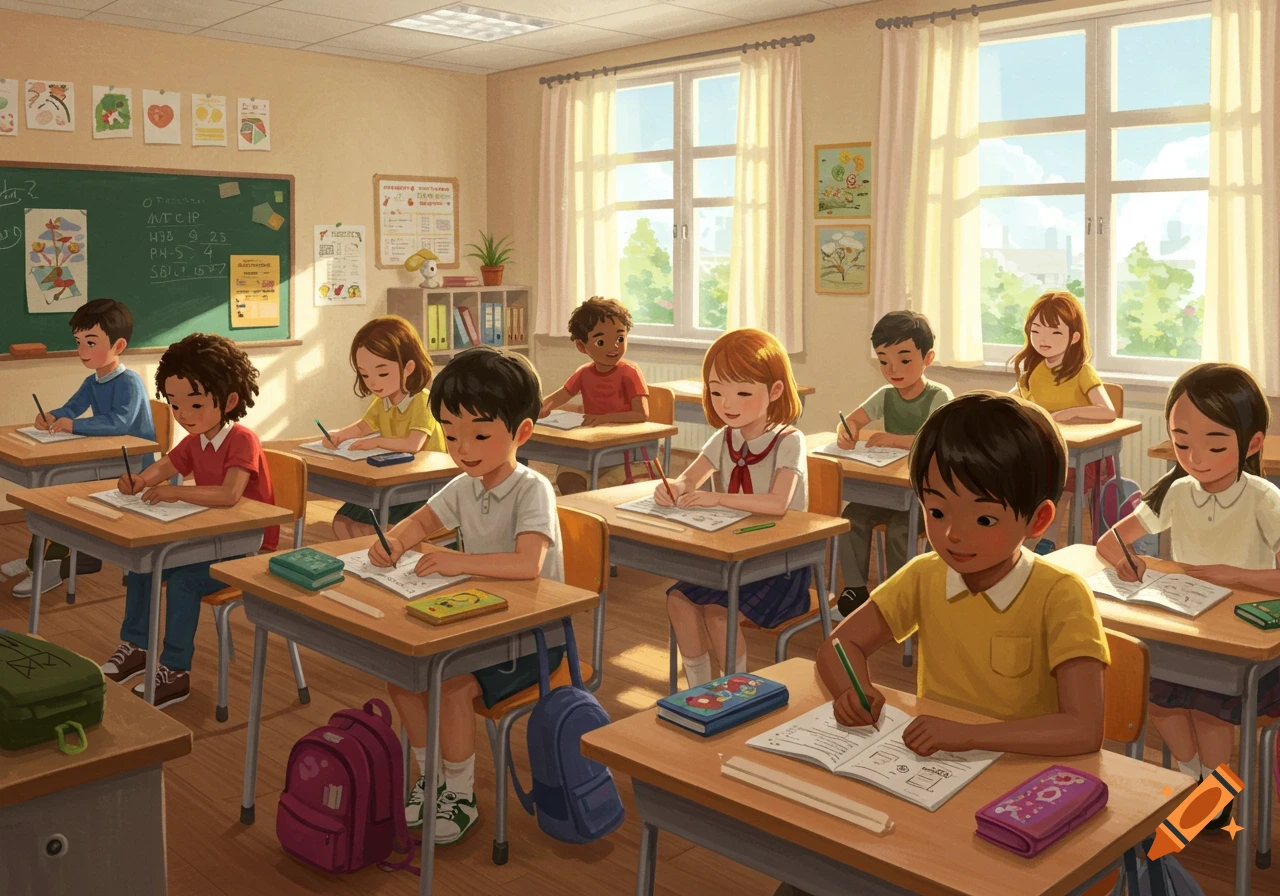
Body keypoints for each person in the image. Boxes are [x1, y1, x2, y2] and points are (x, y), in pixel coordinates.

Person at [819, 392, 1110, 756]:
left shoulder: (1062, 595)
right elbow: (840, 644)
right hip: (937, 767)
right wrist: (852, 690)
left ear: (1038, 520)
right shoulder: (925, 575)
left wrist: (969, 737)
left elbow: (1083, 729)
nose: (953, 534)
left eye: (984, 519)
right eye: (938, 512)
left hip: (1025, 774)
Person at [369, 346, 563, 846]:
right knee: (404, 676)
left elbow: (527, 566)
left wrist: (458, 562)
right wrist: (396, 542)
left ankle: (459, 794)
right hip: (474, 620)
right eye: (451, 435)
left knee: (451, 683)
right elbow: (423, 521)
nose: (463, 448)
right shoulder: (465, 484)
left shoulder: (532, 489)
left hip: (530, 635)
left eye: (479, 435)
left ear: (521, 432)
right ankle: (429, 777)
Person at [1097, 363, 1280, 828]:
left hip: (1244, 635)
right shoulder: (1177, 491)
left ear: (1251, 443)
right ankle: (1192, 778)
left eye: (1215, 445)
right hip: (1186, 620)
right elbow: (1110, 540)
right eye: (1182, 444)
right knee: (1158, 695)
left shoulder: (1262, 497)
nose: (1196, 458)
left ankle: (1215, 795)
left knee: (1208, 707)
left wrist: (1233, 574)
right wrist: (1127, 559)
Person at [99, 334, 276, 710]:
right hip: (211, 538)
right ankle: (136, 647)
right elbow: (167, 465)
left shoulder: (243, 439)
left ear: (228, 400)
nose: (183, 414)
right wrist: (140, 481)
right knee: (143, 566)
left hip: (248, 547)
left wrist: (176, 493)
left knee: (183, 582)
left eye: (194, 404)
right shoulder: (196, 439)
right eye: (175, 404)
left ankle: (175, 672)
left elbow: (230, 495)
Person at [660, 328, 807, 687]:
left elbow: (776, 504)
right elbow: (689, 478)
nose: (729, 403)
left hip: (780, 562)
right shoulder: (724, 436)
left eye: (743, 392)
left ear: (774, 391)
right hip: (732, 554)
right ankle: (699, 692)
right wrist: (673, 489)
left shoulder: (789, 440)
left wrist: (718, 497)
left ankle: (735, 691)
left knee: (717, 614)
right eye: (717, 391)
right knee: (677, 600)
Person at [6, 299, 155, 597]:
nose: (82, 351)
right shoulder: (93, 380)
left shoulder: (130, 382)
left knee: (60, 499)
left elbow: (118, 423)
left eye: (91, 342)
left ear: (119, 345)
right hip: (101, 460)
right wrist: (53, 416)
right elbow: (73, 408)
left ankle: (48, 567)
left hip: (132, 468)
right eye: (78, 343)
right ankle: (34, 562)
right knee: (48, 495)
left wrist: (72, 426)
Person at [834, 310, 951, 613]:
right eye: (884, 361)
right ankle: (855, 590)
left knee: (902, 529)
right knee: (853, 517)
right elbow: (854, 420)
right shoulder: (885, 394)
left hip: (923, 494)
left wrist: (896, 440)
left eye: (904, 360)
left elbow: (935, 441)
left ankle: (900, 595)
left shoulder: (939, 396)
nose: (893, 369)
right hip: (888, 483)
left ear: (928, 358)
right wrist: (847, 432)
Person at [1009, 290, 1116, 548]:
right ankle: (1024, 545)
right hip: (1047, 449)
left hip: (1082, 456)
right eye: (1036, 331)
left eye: (1055, 332)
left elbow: (1108, 411)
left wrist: (1073, 412)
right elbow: (1013, 399)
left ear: (1074, 336)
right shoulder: (1035, 371)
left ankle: (1047, 542)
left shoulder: (1082, 371)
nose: (1043, 339)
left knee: (1058, 490)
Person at [326, 316, 445, 539]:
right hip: (394, 479)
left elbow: (413, 444)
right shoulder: (383, 401)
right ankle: (363, 563)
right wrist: (339, 436)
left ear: (409, 367)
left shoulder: (422, 400)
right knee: (342, 523)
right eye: (365, 374)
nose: (373, 382)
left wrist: (377, 441)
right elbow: (363, 427)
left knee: (383, 532)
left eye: (382, 373)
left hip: (424, 484)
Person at [539, 296, 653, 494]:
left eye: (620, 338)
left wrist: (604, 419)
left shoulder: (630, 372)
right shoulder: (584, 372)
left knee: (601, 491)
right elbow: (559, 396)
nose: (614, 347)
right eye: (601, 341)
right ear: (581, 346)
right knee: (567, 479)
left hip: (624, 451)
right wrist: (538, 409)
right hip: (590, 448)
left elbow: (642, 414)